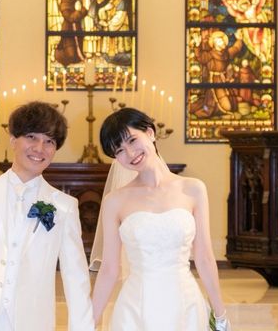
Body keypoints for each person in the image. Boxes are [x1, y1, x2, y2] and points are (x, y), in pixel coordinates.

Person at [0, 101, 94, 331]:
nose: (40, 148)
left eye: (49, 141)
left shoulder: (64, 207)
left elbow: (76, 279)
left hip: (34, 322)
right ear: (13, 140)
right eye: (31, 137)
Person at [91, 108, 231, 330]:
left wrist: (220, 314)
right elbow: (109, 268)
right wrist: (88, 321)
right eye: (119, 150)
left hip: (185, 304)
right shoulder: (114, 201)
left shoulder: (193, 189)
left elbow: (204, 257)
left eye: (132, 140)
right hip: (135, 308)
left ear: (150, 132)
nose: (130, 153)